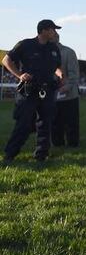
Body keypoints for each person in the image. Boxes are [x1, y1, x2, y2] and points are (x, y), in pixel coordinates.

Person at [2, 19, 63, 162]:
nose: (54, 32)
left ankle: (41, 155)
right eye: (52, 29)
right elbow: (6, 60)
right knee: (23, 123)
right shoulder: (25, 44)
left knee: (45, 123)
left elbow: (57, 67)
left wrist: (61, 74)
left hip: (47, 90)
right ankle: (10, 154)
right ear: (43, 30)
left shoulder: (53, 48)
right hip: (29, 90)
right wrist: (19, 75)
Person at [51, 31, 80, 147]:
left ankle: (73, 144)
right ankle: (57, 143)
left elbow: (74, 74)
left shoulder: (68, 52)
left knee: (71, 122)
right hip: (52, 95)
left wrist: (66, 87)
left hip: (69, 95)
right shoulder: (44, 52)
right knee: (55, 122)